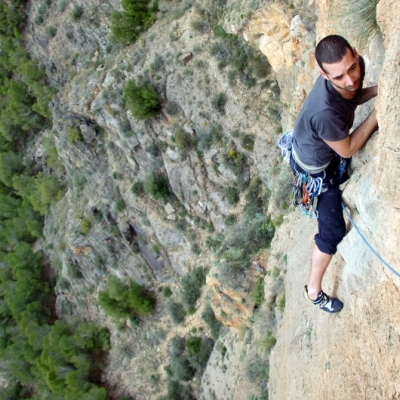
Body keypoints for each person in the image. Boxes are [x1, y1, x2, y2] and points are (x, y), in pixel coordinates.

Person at [290, 35, 378, 313]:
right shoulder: (324, 112)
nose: (350, 80)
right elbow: (349, 149)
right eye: (339, 76)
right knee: (332, 231)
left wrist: (379, 89)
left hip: (321, 147)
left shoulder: (352, 71)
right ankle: (314, 292)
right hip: (314, 170)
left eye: (352, 68)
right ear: (324, 75)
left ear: (355, 53)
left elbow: (353, 96)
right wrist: (380, 109)